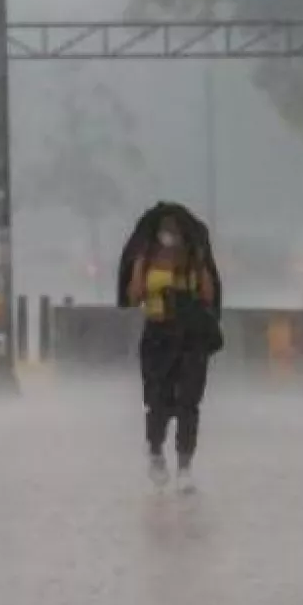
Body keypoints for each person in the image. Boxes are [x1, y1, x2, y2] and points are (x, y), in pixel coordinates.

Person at [118, 203, 223, 491]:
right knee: (158, 401)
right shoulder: (147, 258)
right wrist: (140, 267)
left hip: (191, 338)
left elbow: (208, 295)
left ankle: (185, 465)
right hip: (157, 335)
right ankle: (155, 452)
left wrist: (199, 265)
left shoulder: (194, 259)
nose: (170, 235)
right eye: (165, 229)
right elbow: (133, 296)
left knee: (189, 402)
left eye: (175, 230)